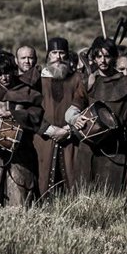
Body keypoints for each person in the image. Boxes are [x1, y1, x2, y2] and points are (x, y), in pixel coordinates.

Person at [69, 38, 127, 205]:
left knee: (115, 197)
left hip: (115, 149)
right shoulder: (88, 83)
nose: (103, 60)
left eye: (107, 56)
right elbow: (72, 109)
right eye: (99, 56)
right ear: (94, 58)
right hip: (89, 148)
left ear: (114, 57)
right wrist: (75, 119)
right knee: (85, 196)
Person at [0, 51, 44, 207]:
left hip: (20, 150)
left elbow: (36, 115)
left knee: (19, 193)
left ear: (13, 71)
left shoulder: (27, 92)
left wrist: (14, 114)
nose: (4, 78)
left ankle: (16, 220)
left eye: (7, 73)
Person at [34, 37, 89, 197]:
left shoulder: (77, 79)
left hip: (70, 139)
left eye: (61, 53)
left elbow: (81, 103)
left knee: (72, 179)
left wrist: (68, 129)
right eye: (54, 52)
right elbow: (32, 109)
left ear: (67, 55)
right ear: (48, 56)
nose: (58, 57)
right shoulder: (38, 79)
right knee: (43, 180)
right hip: (44, 138)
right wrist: (49, 129)